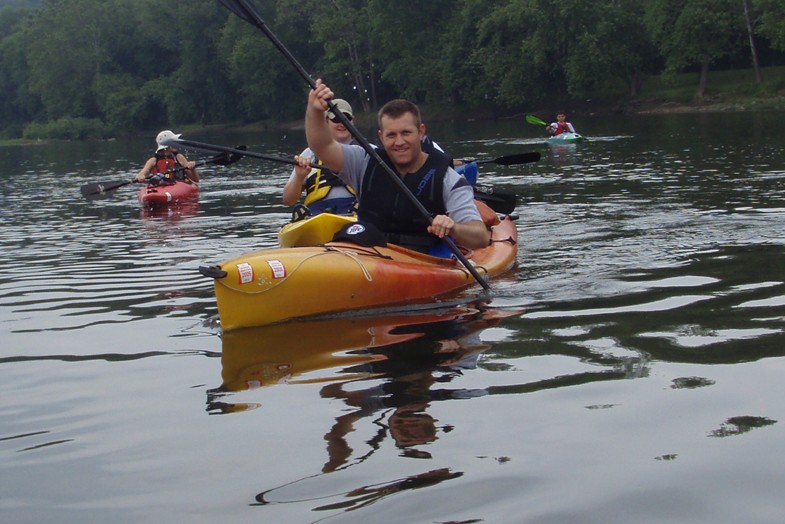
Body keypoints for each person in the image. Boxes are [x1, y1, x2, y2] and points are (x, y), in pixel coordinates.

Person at [303, 79, 489, 255]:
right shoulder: (363, 162)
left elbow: (480, 237)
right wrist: (315, 110)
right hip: (371, 253)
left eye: (406, 133)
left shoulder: (448, 179)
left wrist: (453, 227)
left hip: (424, 258)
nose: (399, 142)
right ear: (381, 136)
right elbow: (323, 146)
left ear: (421, 132)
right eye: (391, 135)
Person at [284, 99, 358, 216]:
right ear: (325, 122)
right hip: (316, 212)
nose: (342, 123)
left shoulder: (368, 151)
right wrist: (299, 177)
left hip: (355, 207)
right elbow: (288, 200)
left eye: (346, 118)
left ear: (353, 121)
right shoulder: (309, 153)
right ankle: (304, 217)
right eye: (336, 119)